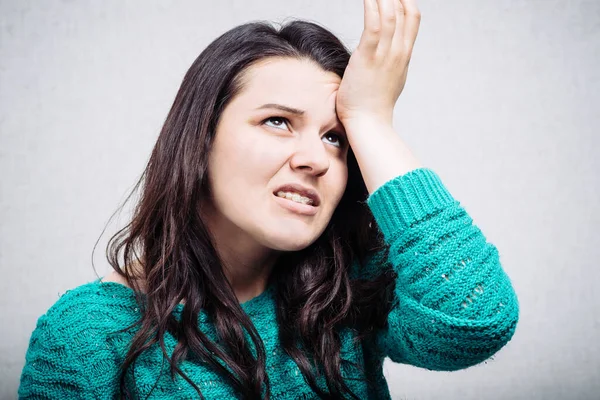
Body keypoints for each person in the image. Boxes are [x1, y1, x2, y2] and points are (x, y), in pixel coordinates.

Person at [18, 0, 519, 399]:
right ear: (201, 140)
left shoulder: (350, 293)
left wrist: (370, 121)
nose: (316, 160)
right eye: (278, 121)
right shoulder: (89, 335)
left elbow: (475, 319)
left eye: (335, 138)